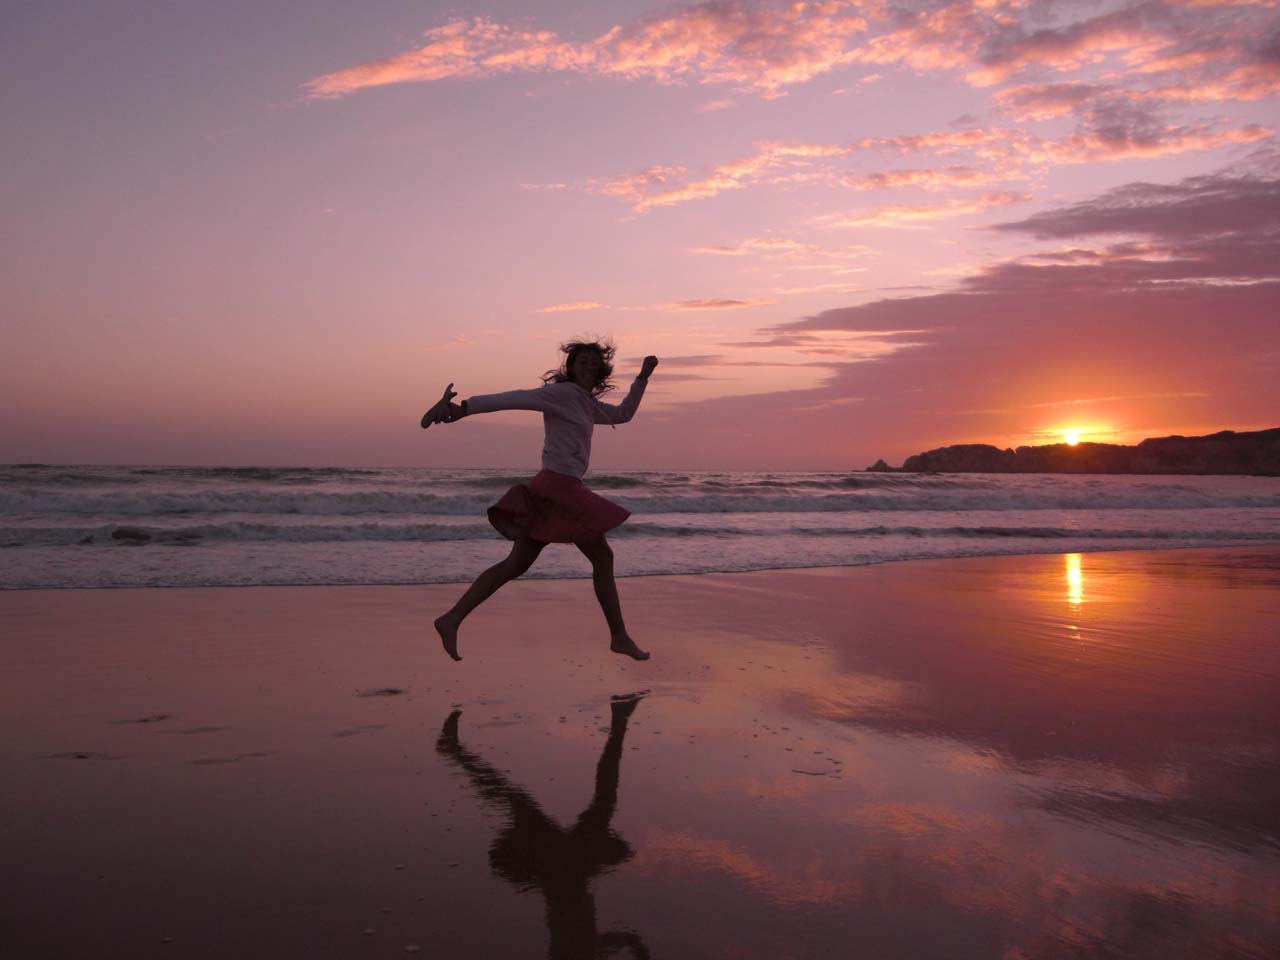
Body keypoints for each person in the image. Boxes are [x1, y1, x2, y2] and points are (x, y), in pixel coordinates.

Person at [422, 341, 658, 662]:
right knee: (602, 557)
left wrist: (643, 377)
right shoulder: (561, 394)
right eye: (582, 361)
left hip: (551, 488)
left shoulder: (586, 404)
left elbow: (624, 414)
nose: (588, 366)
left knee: (515, 565)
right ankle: (618, 636)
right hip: (558, 488)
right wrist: (465, 408)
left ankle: (451, 619)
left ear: (601, 370)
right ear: (571, 368)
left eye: (594, 362)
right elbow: (516, 398)